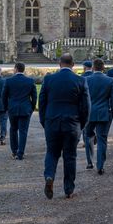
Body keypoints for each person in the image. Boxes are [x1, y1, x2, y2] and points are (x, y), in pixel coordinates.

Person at [39, 53, 90, 199]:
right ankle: (69, 189)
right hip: (72, 123)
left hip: (52, 122)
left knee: (52, 153)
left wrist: (44, 121)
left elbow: (41, 103)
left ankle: (49, 176)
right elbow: (85, 107)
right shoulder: (80, 80)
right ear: (73, 65)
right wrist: (82, 124)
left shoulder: (49, 79)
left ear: (59, 64)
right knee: (70, 156)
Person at [84, 58, 113, 175]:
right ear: (103, 68)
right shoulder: (110, 80)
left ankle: (89, 162)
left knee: (87, 136)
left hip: (89, 114)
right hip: (104, 113)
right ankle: (100, 166)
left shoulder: (86, 80)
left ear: (92, 67)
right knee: (102, 140)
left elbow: (82, 99)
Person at [2, 62, 37, 160]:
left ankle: (14, 151)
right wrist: (32, 108)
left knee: (13, 129)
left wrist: (5, 107)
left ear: (16, 69)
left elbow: (4, 96)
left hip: (12, 108)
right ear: (23, 69)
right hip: (25, 108)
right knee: (23, 131)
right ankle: (20, 153)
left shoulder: (9, 81)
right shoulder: (30, 81)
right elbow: (34, 96)